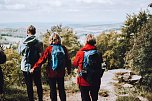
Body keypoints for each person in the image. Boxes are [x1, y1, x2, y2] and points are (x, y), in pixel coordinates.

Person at [30, 32, 71, 101]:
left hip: (51, 72)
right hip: (61, 72)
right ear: (59, 39)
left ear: (51, 40)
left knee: (53, 89)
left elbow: (42, 59)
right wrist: (69, 70)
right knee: (61, 89)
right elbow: (68, 60)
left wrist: (34, 67)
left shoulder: (49, 49)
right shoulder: (63, 48)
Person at [73, 34, 103, 101]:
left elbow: (75, 64)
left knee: (85, 97)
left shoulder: (80, 53)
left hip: (84, 79)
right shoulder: (98, 53)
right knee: (94, 97)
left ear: (85, 42)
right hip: (96, 79)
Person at [18, 25, 43, 101]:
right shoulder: (39, 42)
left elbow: (19, 53)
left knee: (29, 85)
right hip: (36, 66)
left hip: (25, 66)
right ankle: (40, 99)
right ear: (35, 32)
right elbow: (41, 52)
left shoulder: (22, 42)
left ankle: (31, 99)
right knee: (38, 84)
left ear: (27, 32)